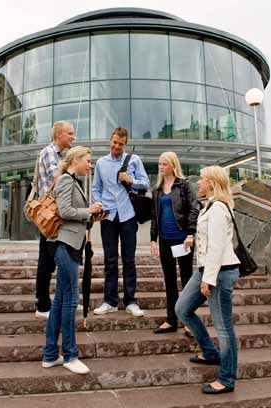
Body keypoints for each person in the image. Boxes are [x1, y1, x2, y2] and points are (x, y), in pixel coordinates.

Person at [175, 165, 240, 394]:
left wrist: (209, 279)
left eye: (202, 179)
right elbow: (210, 240)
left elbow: (218, 247)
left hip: (219, 272)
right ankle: (211, 352)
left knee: (223, 327)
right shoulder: (209, 206)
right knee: (182, 309)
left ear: (212, 182)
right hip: (207, 269)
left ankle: (227, 378)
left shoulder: (219, 208)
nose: (198, 183)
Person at [42, 146, 102, 375]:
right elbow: (65, 211)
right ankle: (69, 355)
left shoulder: (71, 180)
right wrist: (88, 211)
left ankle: (50, 355)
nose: (90, 164)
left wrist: (92, 215)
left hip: (68, 244)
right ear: (75, 160)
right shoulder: (66, 180)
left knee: (59, 301)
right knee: (69, 301)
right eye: (87, 160)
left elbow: (70, 213)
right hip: (64, 245)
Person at [92, 127, 150, 317]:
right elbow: (96, 188)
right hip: (108, 216)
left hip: (128, 215)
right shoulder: (101, 163)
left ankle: (131, 301)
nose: (117, 146)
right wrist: (99, 203)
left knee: (129, 260)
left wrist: (131, 180)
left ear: (125, 144)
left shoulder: (134, 160)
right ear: (110, 140)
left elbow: (146, 183)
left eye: (121, 144)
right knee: (110, 260)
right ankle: (110, 301)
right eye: (115, 142)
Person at [150, 152, 199, 335]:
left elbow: (194, 208)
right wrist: (153, 238)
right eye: (159, 164)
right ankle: (171, 320)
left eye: (164, 164)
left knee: (187, 280)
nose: (161, 167)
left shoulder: (184, 185)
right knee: (169, 280)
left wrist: (190, 233)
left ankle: (188, 320)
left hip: (183, 239)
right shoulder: (157, 189)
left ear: (172, 165)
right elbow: (155, 215)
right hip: (165, 240)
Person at [35, 121, 75, 319]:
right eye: (70, 133)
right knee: (48, 261)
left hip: (53, 216)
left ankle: (51, 303)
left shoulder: (58, 155)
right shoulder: (50, 152)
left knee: (52, 260)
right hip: (50, 217)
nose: (73, 137)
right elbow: (57, 180)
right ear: (59, 135)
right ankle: (43, 305)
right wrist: (71, 166)